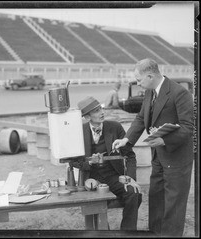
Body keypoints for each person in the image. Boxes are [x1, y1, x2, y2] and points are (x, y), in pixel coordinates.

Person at [112, 58, 194, 236]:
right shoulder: (150, 92)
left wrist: (164, 140)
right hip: (158, 157)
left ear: (150, 76)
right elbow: (142, 118)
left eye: (139, 80)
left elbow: (189, 128)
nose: (138, 83)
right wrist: (126, 139)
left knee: (173, 205)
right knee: (156, 199)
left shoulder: (180, 93)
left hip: (177, 158)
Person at [70, 96, 142, 231]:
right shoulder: (79, 131)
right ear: (87, 117)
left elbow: (130, 156)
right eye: (96, 111)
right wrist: (90, 162)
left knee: (134, 193)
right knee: (94, 203)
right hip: (91, 177)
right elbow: (73, 161)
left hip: (114, 175)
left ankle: (127, 231)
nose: (102, 113)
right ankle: (104, 231)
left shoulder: (115, 127)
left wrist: (131, 178)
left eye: (101, 109)